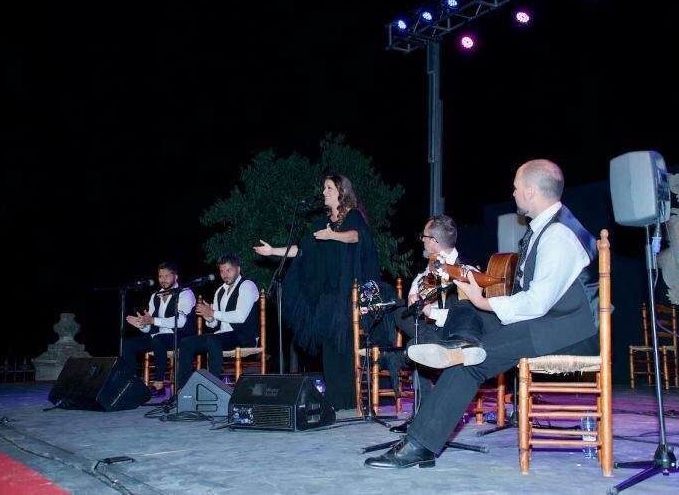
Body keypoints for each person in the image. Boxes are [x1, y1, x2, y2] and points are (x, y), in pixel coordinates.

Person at [365, 159, 600, 469]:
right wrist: (476, 301)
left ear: (530, 191)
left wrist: (484, 300)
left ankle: (420, 444)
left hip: (564, 332)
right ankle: (457, 342)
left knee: (470, 361)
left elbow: (536, 304)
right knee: (463, 310)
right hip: (547, 323)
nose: (513, 193)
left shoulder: (558, 235)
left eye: (516, 188)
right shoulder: (550, 228)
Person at [254, 173, 381, 410]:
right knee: (330, 347)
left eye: (328, 188)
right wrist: (273, 250)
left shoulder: (353, 217)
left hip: (348, 293)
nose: (324, 192)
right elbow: (301, 250)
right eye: (324, 188)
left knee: (345, 344)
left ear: (341, 191)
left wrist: (334, 236)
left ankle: (352, 398)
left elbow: (357, 237)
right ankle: (335, 399)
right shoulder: (322, 223)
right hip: (328, 294)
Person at [389, 214, 485, 434]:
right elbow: (419, 286)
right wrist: (415, 296)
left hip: (456, 335)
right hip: (431, 329)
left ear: (435, 241)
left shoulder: (467, 272)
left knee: (415, 343)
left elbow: (468, 316)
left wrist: (431, 313)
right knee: (400, 313)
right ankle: (426, 347)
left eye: (424, 236)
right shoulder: (433, 267)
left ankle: (423, 413)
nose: (421, 240)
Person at [177, 253, 260, 389]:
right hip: (224, 335)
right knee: (186, 342)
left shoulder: (247, 286)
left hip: (244, 336)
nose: (225, 274)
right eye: (222, 271)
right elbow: (215, 323)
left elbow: (240, 317)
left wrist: (213, 313)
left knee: (214, 340)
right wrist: (209, 318)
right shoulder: (220, 291)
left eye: (228, 270)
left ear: (238, 269)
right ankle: (183, 388)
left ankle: (212, 387)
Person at [123, 262, 196, 396]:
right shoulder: (155, 296)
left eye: (167, 276)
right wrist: (142, 324)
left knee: (158, 340)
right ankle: (129, 384)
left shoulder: (185, 293)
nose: (163, 280)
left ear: (176, 276)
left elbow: (179, 322)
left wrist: (152, 320)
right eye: (160, 276)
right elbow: (151, 326)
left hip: (181, 337)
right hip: (159, 336)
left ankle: (159, 384)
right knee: (128, 345)